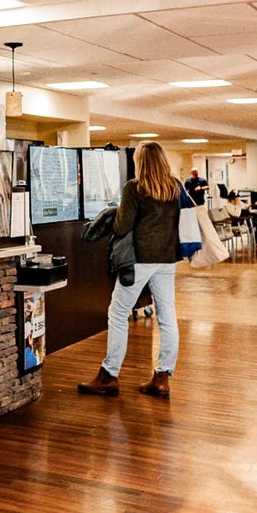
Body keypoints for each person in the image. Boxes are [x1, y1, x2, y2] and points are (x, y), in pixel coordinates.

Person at [78, 141, 182, 401]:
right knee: (167, 316)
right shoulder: (174, 186)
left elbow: (122, 226)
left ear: (140, 162)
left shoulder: (135, 188)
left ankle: (109, 375)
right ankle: (162, 378)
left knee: (118, 313)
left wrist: (115, 212)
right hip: (167, 259)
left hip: (139, 260)